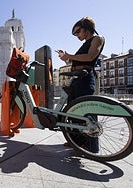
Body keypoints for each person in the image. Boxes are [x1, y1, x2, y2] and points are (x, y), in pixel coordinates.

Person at [58, 17, 105, 153]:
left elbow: (90, 57)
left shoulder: (97, 38)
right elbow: (74, 62)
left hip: (85, 78)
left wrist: (70, 55)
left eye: (78, 31)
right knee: (73, 112)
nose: (77, 35)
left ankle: (90, 146)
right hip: (77, 79)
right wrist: (66, 58)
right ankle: (76, 142)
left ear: (86, 28)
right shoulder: (85, 43)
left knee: (86, 111)